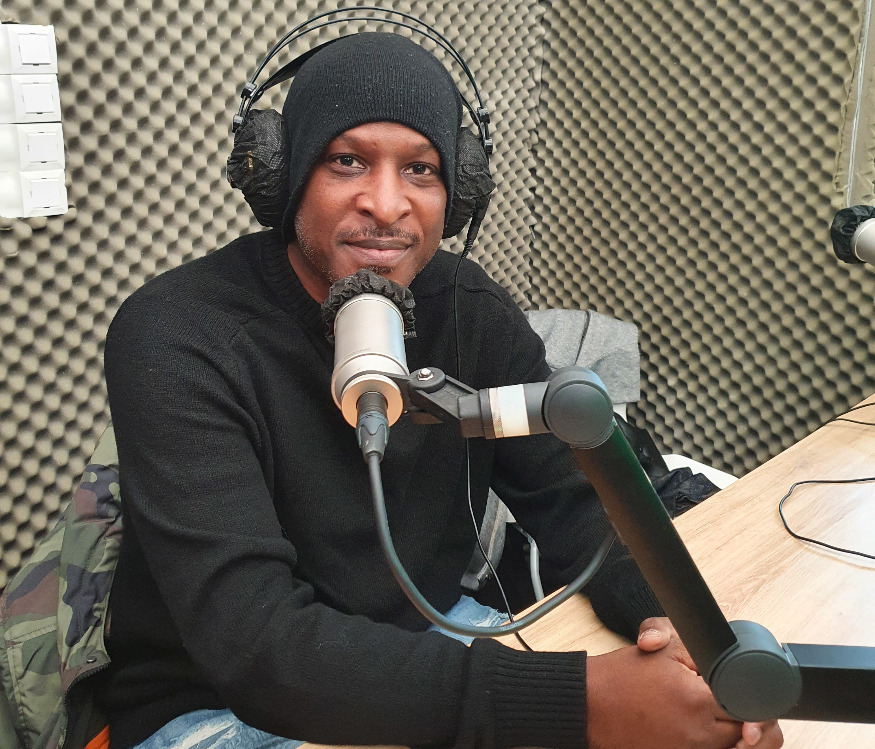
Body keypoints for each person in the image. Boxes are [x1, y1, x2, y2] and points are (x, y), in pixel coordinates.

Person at [96, 31, 782, 749]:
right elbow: (257, 645)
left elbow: (578, 502)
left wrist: (683, 634)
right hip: (223, 701)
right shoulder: (177, 334)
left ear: (457, 194)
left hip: (429, 637)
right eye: (347, 161)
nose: (386, 204)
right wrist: (583, 703)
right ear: (283, 174)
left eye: (420, 169)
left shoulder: (467, 308)